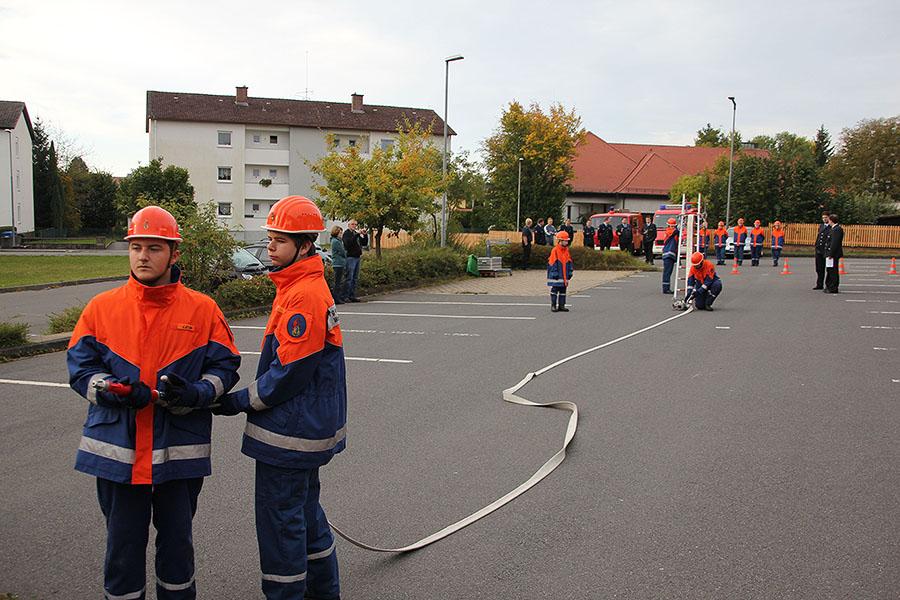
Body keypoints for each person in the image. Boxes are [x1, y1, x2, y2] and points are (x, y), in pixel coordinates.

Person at [67, 205, 242, 600]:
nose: (143, 256)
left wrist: (197, 393)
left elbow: (226, 367)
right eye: (136, 247)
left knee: (177, 548)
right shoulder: (101, 308)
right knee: (123, 551)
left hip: (177, 454)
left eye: (154, 248)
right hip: (119, 454)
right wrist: (114, 390)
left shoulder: (202, 309)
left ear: (174, 253)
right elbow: (80, 371)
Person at [214, 196, 347, 600]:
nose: (270, 247)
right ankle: (324, 593)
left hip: (290, 433)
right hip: (305, 428)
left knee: (280, 525)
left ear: (304, 245)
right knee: (305, 516)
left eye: (279, 240)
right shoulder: (301, 284)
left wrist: (237, 401)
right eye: (270, 239)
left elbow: (289, 374)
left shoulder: (303, 294)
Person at [547, 230, 574, 312]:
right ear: (560, 241)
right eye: (565, 241)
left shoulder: (566, 251)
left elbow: (569, 262)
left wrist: (570, 271)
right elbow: (552, 263)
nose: (566, 242)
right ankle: (553, 305)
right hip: (557, 275)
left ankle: (562, 305)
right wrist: (554, 273)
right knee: (554, 290)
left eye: (567, 241)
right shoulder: (555, 250)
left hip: (564, 275)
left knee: (563, 290)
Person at [342, 219, 367, 302]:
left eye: (355, 224)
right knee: (349, 277)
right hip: (350, 257)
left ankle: (352, 295)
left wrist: (365, 235)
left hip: (357, 257)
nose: (354, 226)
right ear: (349, 225)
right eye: (352, 224)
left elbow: (364, 243)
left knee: (355, 278)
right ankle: (346, 296)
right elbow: (348, 243)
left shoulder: (355, 234)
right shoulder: (347, 234)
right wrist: (357, 234)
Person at [824, 213, 844, 293]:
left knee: (833, 271)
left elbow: (834, 243)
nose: (827, 221)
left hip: (833, 254)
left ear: (831, 220)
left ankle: (833, 287)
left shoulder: (837, 229)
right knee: (829, 270)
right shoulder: (833, 228)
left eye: (828, 220)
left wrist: (831, 254)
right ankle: (829, 285)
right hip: (830, 253)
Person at [330, 225, 347, 303]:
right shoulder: (336, 241)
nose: (341, 234)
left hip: (340, 263)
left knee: (339, 281)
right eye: (340, 233)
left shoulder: (338, 241)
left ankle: (338, 297)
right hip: (338, 263)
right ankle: (336, 298)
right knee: (338, 282)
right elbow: (342, 252)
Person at [661, 217, 679, 294]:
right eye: (672, 226)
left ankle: (666, 287)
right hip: (668, 254)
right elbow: (676, 232)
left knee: (668, 272)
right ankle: (666, 288)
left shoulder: (671, 231)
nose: (672, 227)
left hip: (669, 254)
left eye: (673, 226)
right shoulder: (669, 231)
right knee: (667, 272)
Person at [814, 211, 831, 289]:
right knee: (819, 268)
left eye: (826, 217)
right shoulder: (821, 226)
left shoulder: (831, 227)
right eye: (823, 217)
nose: (824, 219)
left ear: (829, 218)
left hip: (826, 250)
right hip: (819, 250)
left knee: (828, 268)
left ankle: (828, 284)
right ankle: (819, 284)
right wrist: (816, 246)